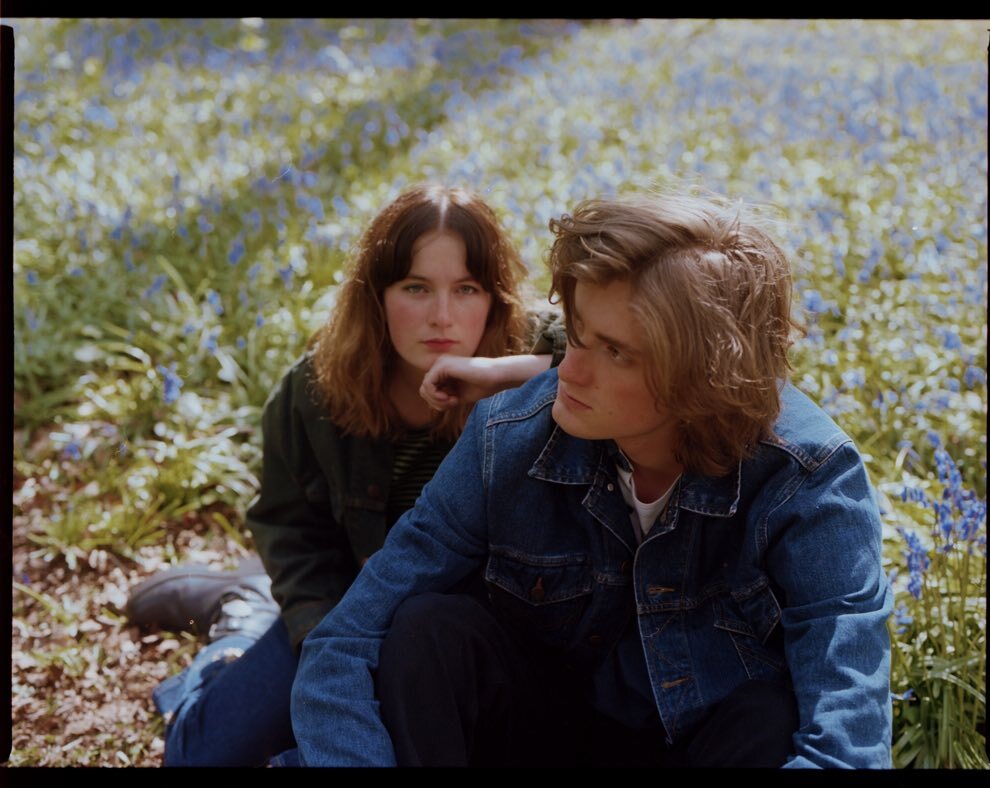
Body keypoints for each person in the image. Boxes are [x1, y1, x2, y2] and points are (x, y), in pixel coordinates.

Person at [289, 188, 895, 768]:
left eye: (616, 351)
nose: (569, 372)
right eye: (576, 334)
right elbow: (344, 642)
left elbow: (847, 745)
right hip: (544, 736)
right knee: (427, 630)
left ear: (703, 376)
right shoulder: (507, 434)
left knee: (769, 719)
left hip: (698, 745)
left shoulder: (807, 479)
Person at [125, 183, 566, 767]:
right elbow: (290, 530)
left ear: (495, 297)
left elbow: (621, 350)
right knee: (201, 755)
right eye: (415, 288)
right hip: (344, 610)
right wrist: (326, 640)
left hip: (456, 636)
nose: (442, 315)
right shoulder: (316, 390)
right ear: (377, 295)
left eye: (466, 289)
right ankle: (242, 616)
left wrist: (506, 372)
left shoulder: (534, 356)